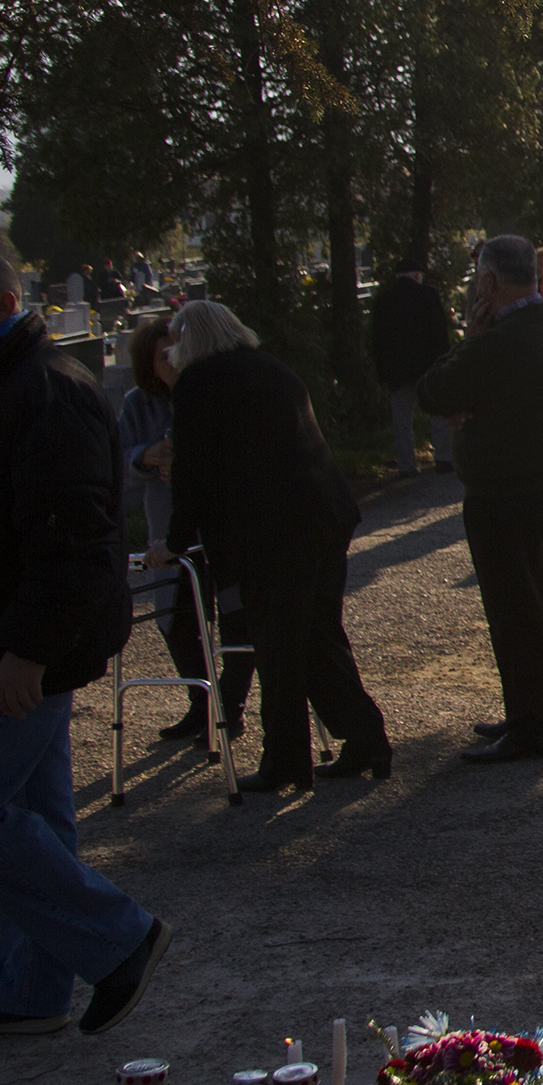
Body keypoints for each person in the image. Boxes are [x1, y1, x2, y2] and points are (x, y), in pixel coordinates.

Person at [0, 249, 172, 1043]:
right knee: (33, 813)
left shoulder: (42, 390)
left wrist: (27, 647)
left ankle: (121, 936)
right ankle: (30, 989)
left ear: (3, 303)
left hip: (10, 648)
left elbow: (72, 536)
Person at [155, 302, 389, 791]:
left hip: (271, 529)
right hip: (325, 512)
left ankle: (286, 760)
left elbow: (191, 471)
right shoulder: (270, 368)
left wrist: (175, 542)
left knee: (279, 645)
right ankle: (365, 736)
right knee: (317, 635)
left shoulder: (198, 383)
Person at [421, 235, 543, 764]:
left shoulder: (496, 341)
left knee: (516, 615)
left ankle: (535, 727)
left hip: (504, 493)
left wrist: (470, 337)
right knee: (530, 608)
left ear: (489, 282)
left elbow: (435, 391)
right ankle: (527, 714)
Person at [118, 321, 244, 745]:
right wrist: (145, 456)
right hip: (168, 525)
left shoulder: (207, 390)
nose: (172, 361)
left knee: (233, 616)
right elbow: (117, 458)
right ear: (148, 365)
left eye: (177, 351)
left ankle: (229, 709)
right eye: (163, 356)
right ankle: (201, 703)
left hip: (217, 523)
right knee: (175, 619)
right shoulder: (138, 404)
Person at [369, 259, 455, 476]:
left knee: (401, 420)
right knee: (438, 412)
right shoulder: (428, 296)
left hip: (397, 370)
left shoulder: (384, 300)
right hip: (427, 365)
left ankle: (406, 465)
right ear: (417, 275)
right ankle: (443, 458)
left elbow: (377, 340)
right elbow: (439, 334)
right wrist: (444, 361)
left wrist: (382, 371)